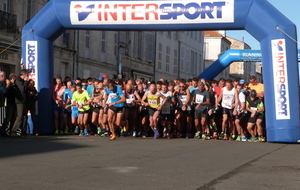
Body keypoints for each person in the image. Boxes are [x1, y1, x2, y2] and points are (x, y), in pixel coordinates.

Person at [11, 69, 29, 136]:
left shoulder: (21, 81)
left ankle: (23, 130)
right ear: (24, 75)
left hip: (24, 101)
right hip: (20, 101)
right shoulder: (18, 81)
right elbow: (22, 89)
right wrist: (25, 82)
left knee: (24, 116)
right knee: (20, 116)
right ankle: (14, 130)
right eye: (27, 75)